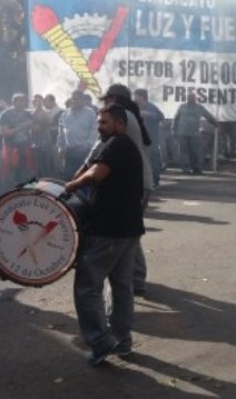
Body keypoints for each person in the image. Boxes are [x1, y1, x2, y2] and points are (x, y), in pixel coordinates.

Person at [64, 105, 145, 366]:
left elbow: (96, 174)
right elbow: (88, 166)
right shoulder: (112, 145)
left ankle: (100, 341)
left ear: (120, 123)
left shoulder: (118, 144)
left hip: (109, 230)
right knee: (121, 286)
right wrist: (72, 181)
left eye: (105, 122)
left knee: (87, 286)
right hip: (128, 228)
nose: (100, 126)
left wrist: (71, 185)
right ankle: (122, 341)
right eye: (99, 122)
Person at [98, 84, 153, 295]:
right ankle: (134, 276)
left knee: (128, 234)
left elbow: (99, 148)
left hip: (135, 183)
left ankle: (135, 278)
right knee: (130, 233)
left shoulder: (120, 118)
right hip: (139, 181)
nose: (104, 105)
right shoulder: (129, 115)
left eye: (107, 100)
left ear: (114, 99)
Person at [172, 91, 216, 175]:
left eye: (192, 98)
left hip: (194, 133)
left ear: (195, 99)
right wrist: (173, 129)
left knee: (195, 152)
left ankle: (196, 168)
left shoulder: (199, 108)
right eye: (189, 97)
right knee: (183, 151)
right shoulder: (182, 107)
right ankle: (185, 168)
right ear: (187, 98)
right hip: (182, 132)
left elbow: (208, 116)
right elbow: (176, 118)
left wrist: (215, 123)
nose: (190, 99)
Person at [58, 91, 98, 179]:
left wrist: (86, 146)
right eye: (73, 99)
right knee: (69, 178)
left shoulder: (90, 113)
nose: (74, 101)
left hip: (85, 152)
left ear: (82, 100)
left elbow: (94, 132)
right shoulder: (65, 114)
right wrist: (60, 147)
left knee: (84, 178)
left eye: (76, 99)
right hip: (69, 152)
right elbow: (61, 133)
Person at [0, 93, 36, 186]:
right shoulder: (5, 115)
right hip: (11, 148)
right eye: (20, 102)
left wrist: (33, 125)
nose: (23, 104)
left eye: (24, 102)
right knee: (12, 173)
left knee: (27, 171)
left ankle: (27, 190)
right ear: (14, 102)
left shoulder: (27, 114)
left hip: (25, 146)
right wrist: (21, 127)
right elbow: (4, 132)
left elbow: (34, 128)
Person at [134, 89, 164, 188]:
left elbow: (161, 116)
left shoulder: (151, 107)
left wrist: (149, 114)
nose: (134, 98)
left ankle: (155, 180)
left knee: (152, 158)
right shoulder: (135, 107)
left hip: (151, 138)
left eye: (136, 96)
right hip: (139, 137)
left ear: (142, 97)